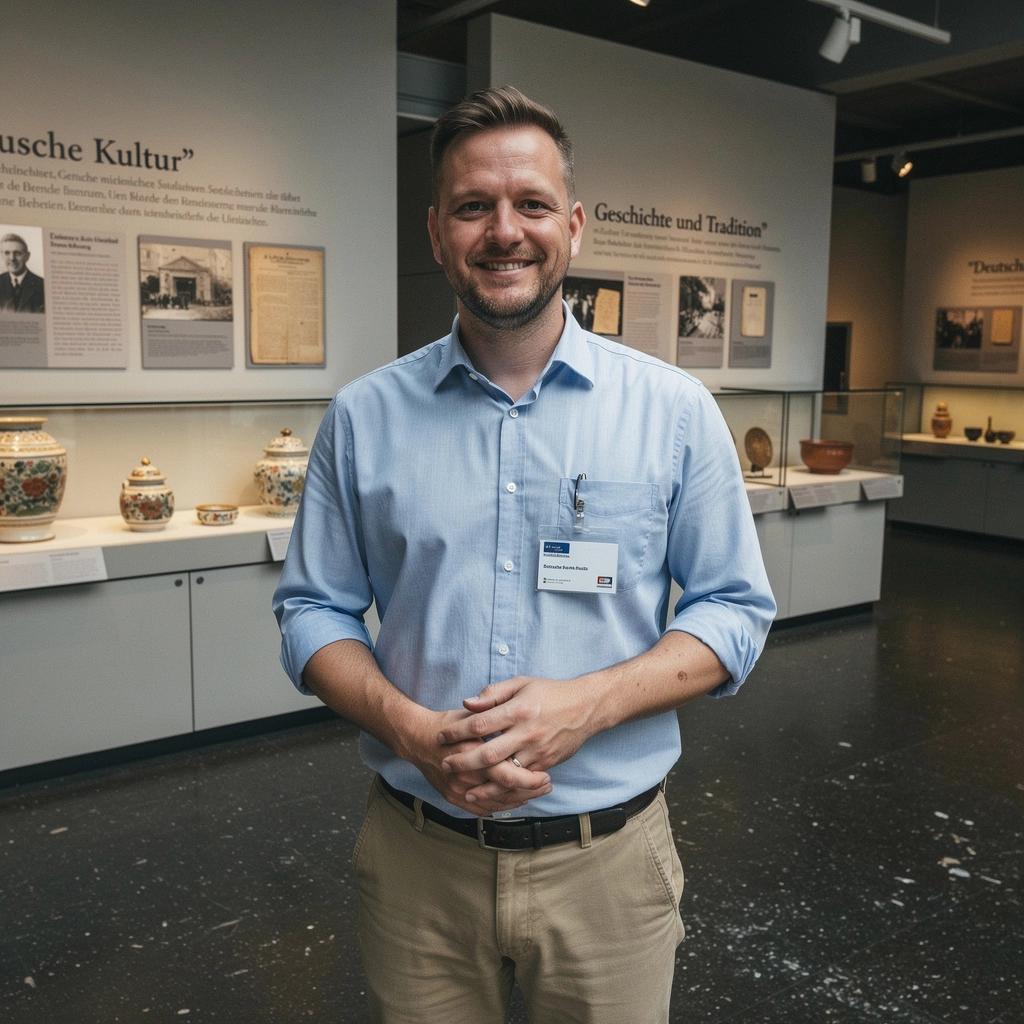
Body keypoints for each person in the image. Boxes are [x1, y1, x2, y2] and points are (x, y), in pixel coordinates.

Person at [273, 85, 775, 1024]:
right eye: (474, 207)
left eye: (531, 204)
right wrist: (413, 731)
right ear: (436, 233)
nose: (504, 231)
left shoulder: (671, 414)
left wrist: (587, 705)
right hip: (419, 863)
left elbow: (735, 611)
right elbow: (312, 614)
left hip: (609, 867)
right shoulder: (364, 419)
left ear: (573, 226)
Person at [0, 233, 45, 313]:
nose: (12, 258)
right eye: (7, 253)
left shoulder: (42, 285)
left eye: (17, 253)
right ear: (1, 255)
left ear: (27, 256)